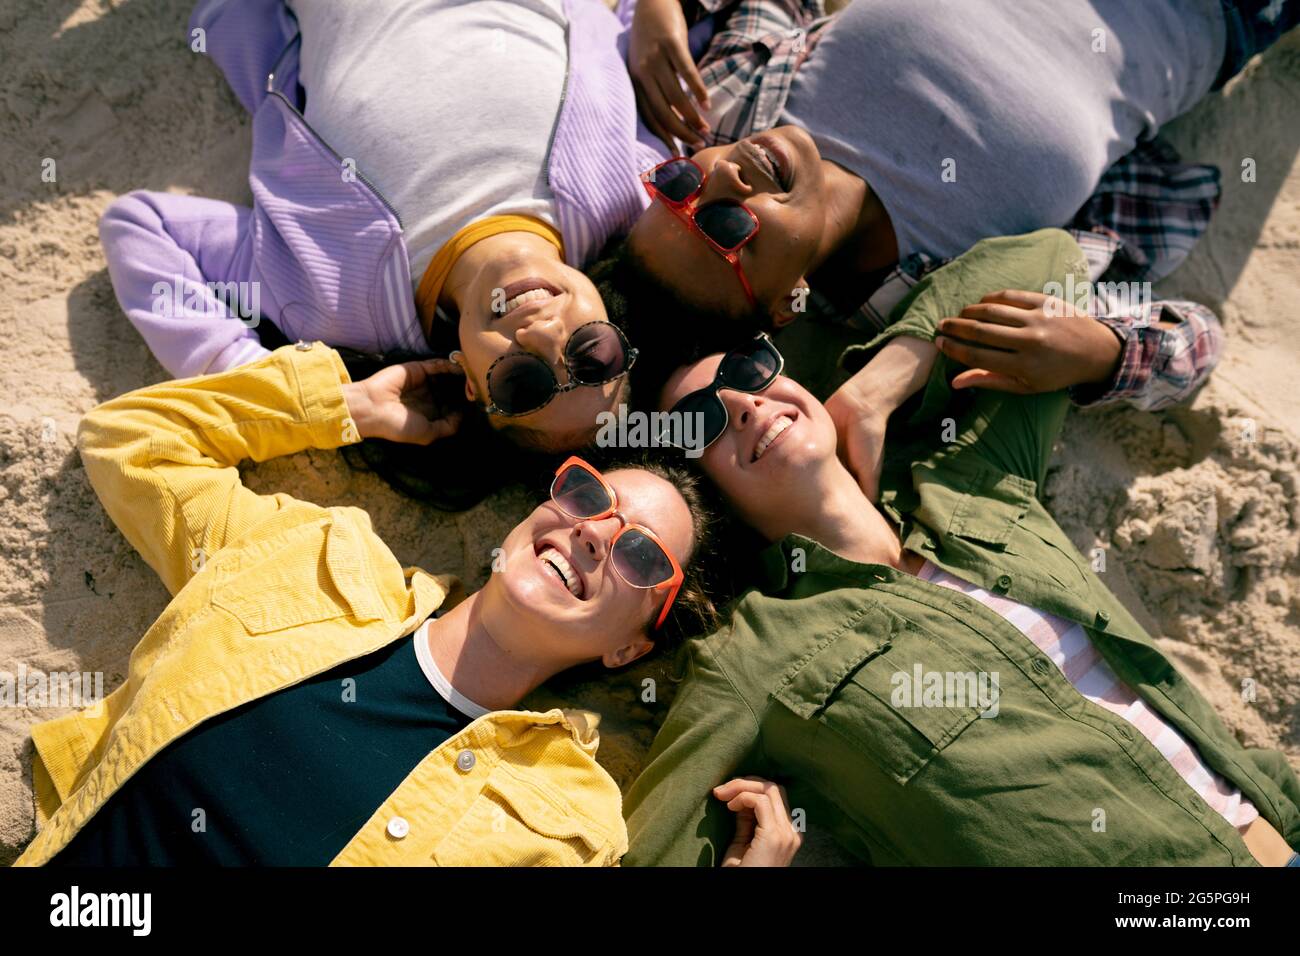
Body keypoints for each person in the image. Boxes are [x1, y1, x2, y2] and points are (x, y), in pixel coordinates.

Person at [623, 228, 1300, 866]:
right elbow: (647, 844)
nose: (744, 404)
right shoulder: (754, 659)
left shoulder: (973, 479)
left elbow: (1050, 260)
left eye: (749, 369)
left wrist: (875, 389)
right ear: (706, 498)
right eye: (701, 419)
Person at [14, 341, 740, 866]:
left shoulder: (568, 820)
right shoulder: (311, 558)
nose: (593, 535)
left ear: (630, 649)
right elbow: (135, 442)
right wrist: (346, 406)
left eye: (640, 554)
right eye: (589, 496)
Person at [100, 0, 675, 453]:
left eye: (522, 384)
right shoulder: (631, 194)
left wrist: (266, 381)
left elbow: (140, 226)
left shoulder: (339, 298)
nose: (545, 336)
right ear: (615, 327)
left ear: (470, 385)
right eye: (590, 356)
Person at [610, 0, 1295, 371]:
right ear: (788, 303)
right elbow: (1190, 336)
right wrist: (1101, 354)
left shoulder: (730, 105)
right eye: (727, 228)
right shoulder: (948, 294)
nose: (723, 177)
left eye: (678, 186)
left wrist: (660, 6)